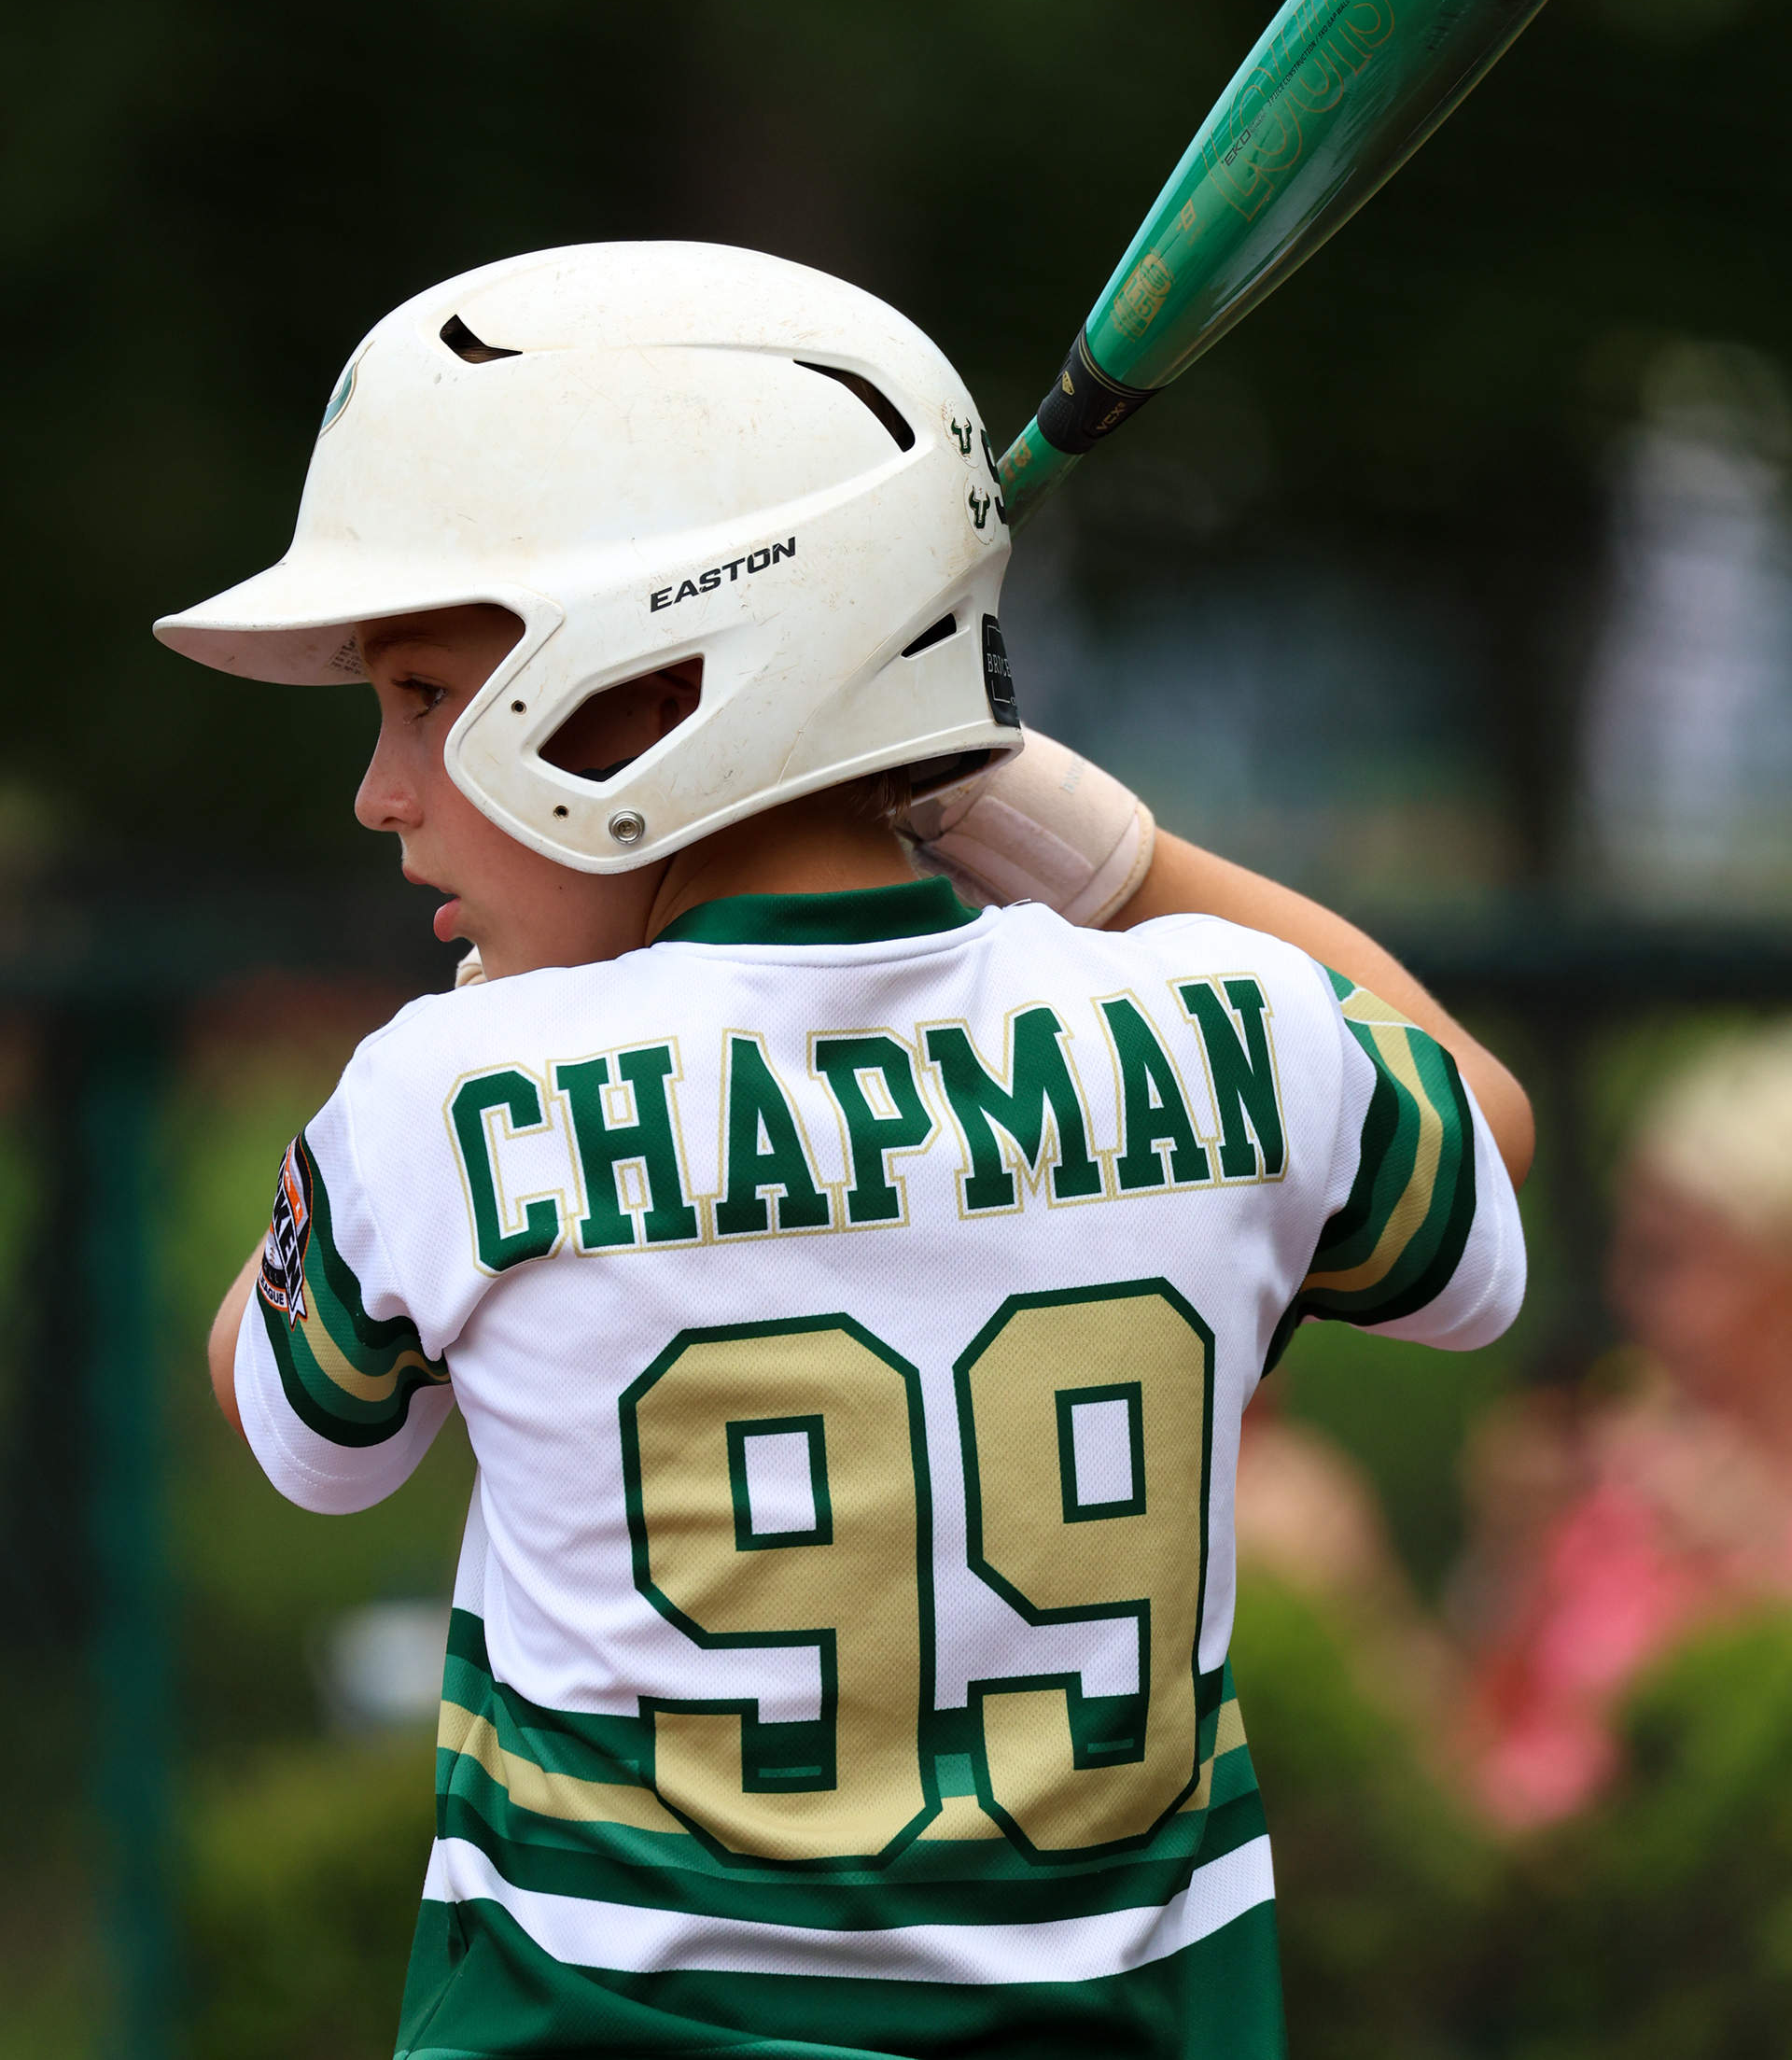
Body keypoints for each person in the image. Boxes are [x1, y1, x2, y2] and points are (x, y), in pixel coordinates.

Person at [167, 241, 1533, 2060]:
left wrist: (474, 1043)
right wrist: (1069, 834)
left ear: (652, 685)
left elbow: (283, 1415)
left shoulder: (446, 1093)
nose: (382, 790)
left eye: (422, 695)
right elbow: (1480, 1122)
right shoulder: (1234, 1024)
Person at [1458, 1021, 1792, 1828]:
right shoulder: (1616, 1481)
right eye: (1630, 1253)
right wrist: (1508, 1562)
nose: (1626, 1293)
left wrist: (1755, 1573)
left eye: (1668, 1258)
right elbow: (1476, 1755)